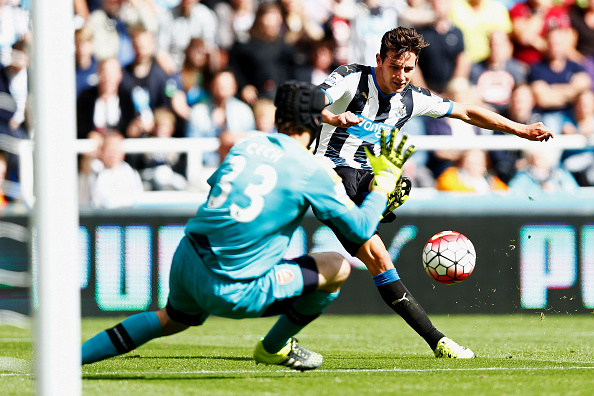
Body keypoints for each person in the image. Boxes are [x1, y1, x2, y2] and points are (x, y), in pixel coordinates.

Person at [81, 81, 409, 371]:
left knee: (171, 320)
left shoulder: (246, 145)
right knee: (336, 266)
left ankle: (70, 358)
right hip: (232, 288)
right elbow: (363, 229)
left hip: (187, 259)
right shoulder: (313, 171)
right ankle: (273, 347)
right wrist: (383, 184)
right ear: (315, 122)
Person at [315, 27, 553, 358]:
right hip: (327, 176)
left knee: (382, 254)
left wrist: (519, 129)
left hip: (367, 176)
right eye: (394, 67)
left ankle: (438, 342)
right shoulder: (351, 78)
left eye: (408, 69)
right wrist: (329, 115)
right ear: (379, 61)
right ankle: (377, 204)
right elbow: (310, 102)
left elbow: (467, 112)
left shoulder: (412, 98)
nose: (400, 76)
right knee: (380, 205)